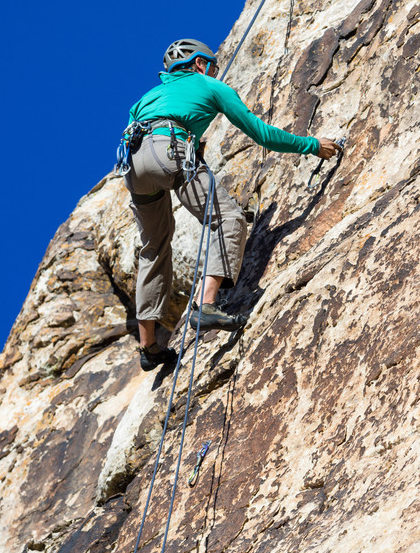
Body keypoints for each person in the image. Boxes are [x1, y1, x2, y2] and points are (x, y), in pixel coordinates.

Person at [121, 38, 342, 371]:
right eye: (211, 66)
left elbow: (136, 132)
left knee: (153, 248)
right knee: (228, 218)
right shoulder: (211, 86)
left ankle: (148, 345)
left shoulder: (146, 98)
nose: (213, 72)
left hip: (133, 165)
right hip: (169, 149)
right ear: (199, 64)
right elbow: (261, 134)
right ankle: (206, 305)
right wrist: (311, 145)